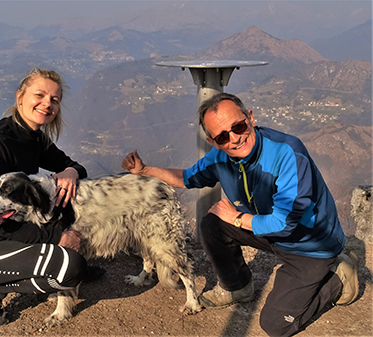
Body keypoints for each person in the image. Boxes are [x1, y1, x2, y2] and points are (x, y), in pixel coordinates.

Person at [121, 92, 359, 337]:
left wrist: (236, 218)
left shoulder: (287, 153)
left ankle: (340, 279)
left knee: (276, 325)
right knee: (212, 224)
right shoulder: (221, 157)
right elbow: (187, 178)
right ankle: (237, 287)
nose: (234, 138)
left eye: (238, 126)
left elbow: (285, 223)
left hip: (310, 246)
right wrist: (145, 170)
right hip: (271, 233)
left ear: (251, 118)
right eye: (223, 136)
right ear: (213, 141)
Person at [0, 68, 105, 326]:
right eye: (40, 95)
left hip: (11, 231)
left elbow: (74, 166)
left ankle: (55, 263)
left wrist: (70, 171)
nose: (48, 103)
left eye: (55, 99)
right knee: (72, 269)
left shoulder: (33, 138)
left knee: (65, 207)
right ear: (20, 97)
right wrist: (58, 237)